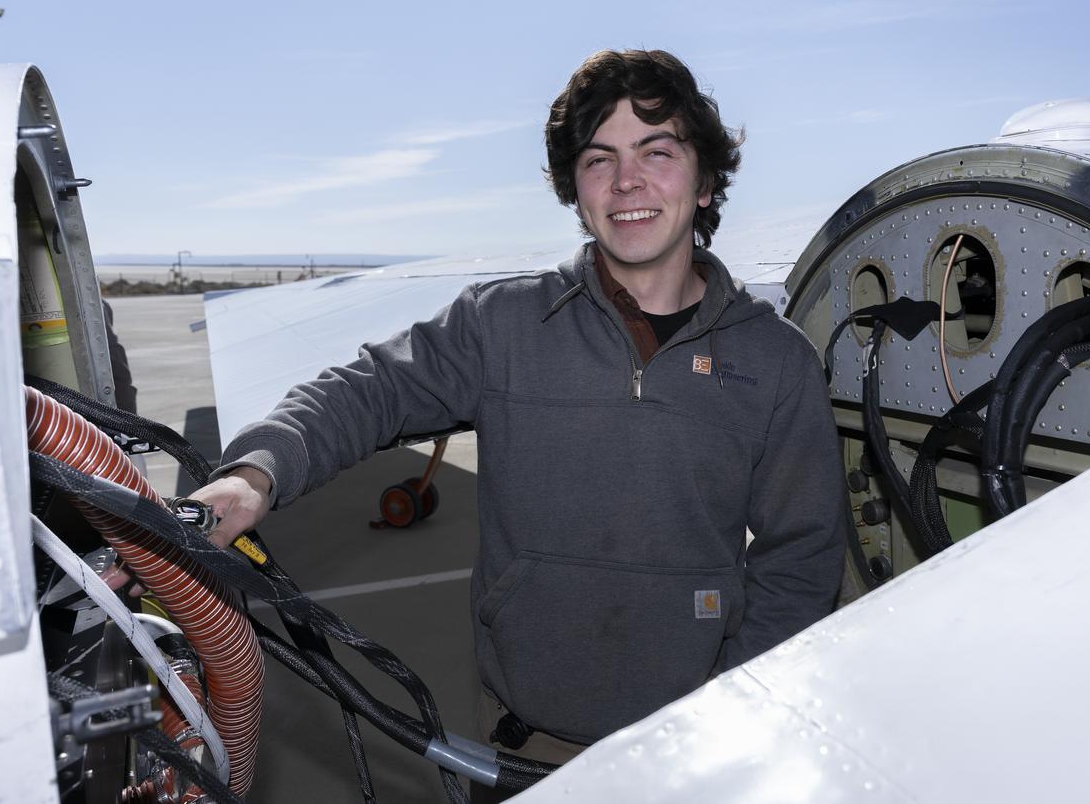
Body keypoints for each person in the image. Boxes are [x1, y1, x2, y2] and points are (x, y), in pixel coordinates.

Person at [189, 48, 846, 798]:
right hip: (522, 748)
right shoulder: (500, 325)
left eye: (656, 152)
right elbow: (365, 390)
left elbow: (801, 562)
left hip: (698, 754)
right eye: (600, 160)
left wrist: (731, 707)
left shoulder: (776, 360)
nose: (627, 181)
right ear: (577, 189)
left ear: (703, 180)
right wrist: (254, 472)